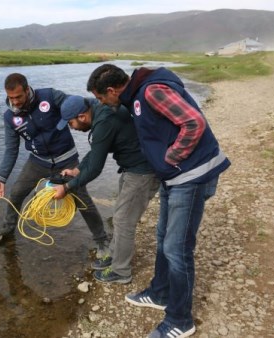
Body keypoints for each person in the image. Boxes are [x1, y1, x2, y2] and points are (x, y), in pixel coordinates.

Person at [87, 64, 231, 338]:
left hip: (189, 175)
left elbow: (194, 123)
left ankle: (180, 320)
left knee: (178, 249)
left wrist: (172, 157)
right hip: (173, 178)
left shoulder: (151, 91)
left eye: (100, 98)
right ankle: (160, 292)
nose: (101, 104)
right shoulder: (137, 95)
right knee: (163, 235)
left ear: (110, 90)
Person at [0, 73, 109, 258]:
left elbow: (80, 104)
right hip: (37, 162)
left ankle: (102, 240)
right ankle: (8, 228)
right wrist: (1, 178)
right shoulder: (10, 117)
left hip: (67, 160)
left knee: (83, 200)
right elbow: (11, 150)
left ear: (27, 90)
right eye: (11, 98)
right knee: (17, 192)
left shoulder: (50, 96)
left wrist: (107, 105)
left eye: (18, 96)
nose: (15, 102)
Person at [51, 95, 159, 284]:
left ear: (82, 116)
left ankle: (121, 271)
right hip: (131, 168)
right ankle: (115, 256)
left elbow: (95, 168)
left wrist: (66, 188)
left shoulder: (104, 121)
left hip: (143, 171)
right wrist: (76, 170)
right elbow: (95, 152)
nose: (72, 128)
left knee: (124, 221)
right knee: (119, 216)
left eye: (70, 123)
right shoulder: (99, 111)